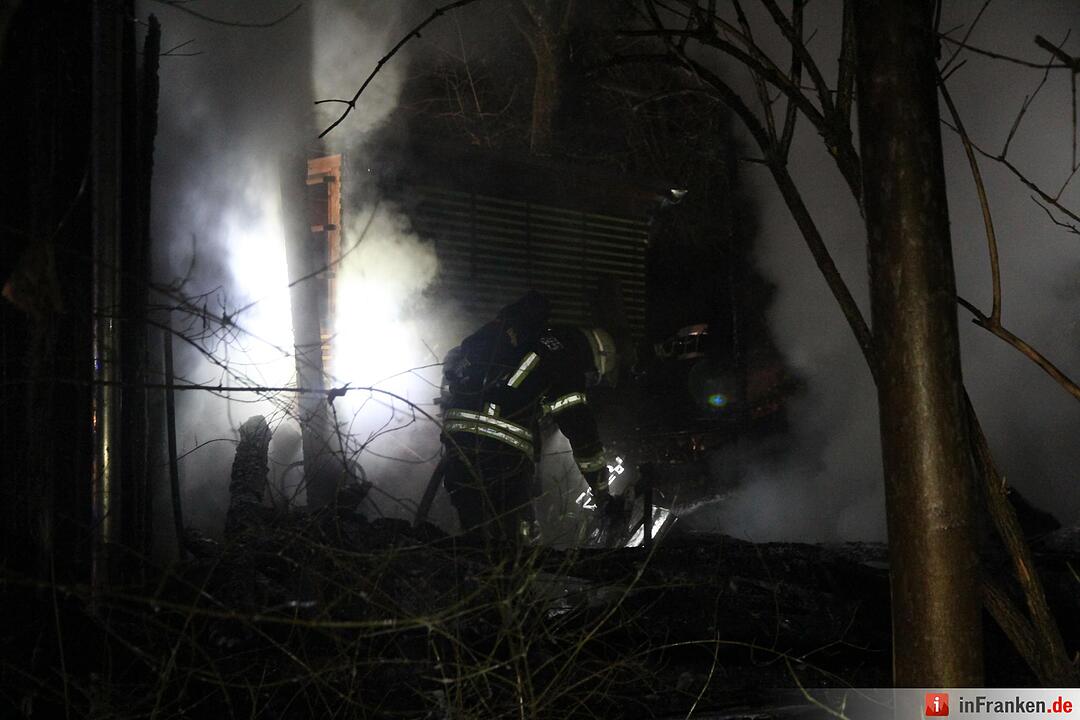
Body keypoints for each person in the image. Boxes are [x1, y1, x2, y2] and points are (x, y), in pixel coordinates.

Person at [437, 291, 623, 544]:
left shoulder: (512, 338)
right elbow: (581, 431)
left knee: (476, 535)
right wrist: (602, 494)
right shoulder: (565, 356)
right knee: (516, 539)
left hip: (456, 441)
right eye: (593, 377)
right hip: (501, 453)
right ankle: (511, 580)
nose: (589, 381)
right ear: (596, 359)